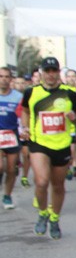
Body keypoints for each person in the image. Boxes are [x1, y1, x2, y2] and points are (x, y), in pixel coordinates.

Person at [19, 57, 76, 238]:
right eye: (47, 71)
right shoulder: (31, 92)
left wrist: (73, 118)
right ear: (41, 73)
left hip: (61, 144)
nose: (51, 75)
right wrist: (25, 127)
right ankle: (43, 213)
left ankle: (54, 218)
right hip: (39, 143)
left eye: (54, 71)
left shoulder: (69, 94)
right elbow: (24, 110)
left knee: (57, 185)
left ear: (58, 73)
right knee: (41, 181)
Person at [0, 67, 22, 209]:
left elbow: (23, 116)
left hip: (12, 134)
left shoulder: (18, 97)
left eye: (7, 76)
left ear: (11, 79)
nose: (4, 79)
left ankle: (7, 196)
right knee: (0, 167)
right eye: (1, 76)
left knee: (11, 169)